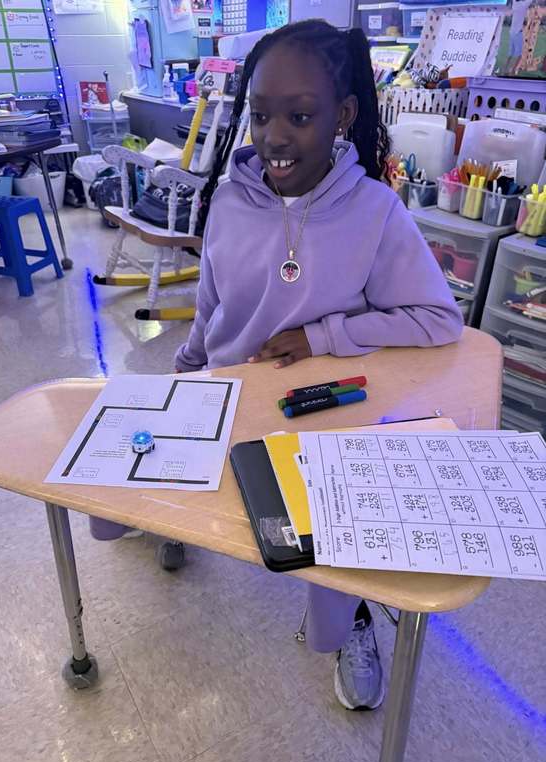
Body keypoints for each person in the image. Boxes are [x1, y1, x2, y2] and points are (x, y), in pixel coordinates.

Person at [93, 19, 464, 709]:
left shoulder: (375, 212)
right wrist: (186, 374)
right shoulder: (231, 199)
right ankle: (175, 524)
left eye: (300, 116)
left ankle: (348, 617)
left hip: (319, 417)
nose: (275, 137)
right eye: (261, 116)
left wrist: (322, 336)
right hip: (231, 399)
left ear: (342, 115)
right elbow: (212, 305)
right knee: (131, 474)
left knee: (331, 534)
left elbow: (438, 319)